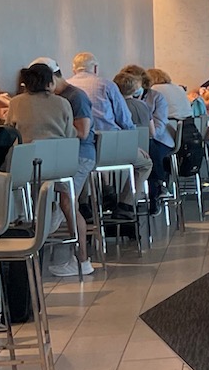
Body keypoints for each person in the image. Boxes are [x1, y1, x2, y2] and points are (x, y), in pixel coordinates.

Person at [10, 62, 95, 276]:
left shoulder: (16, 103)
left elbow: (11, 131)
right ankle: (82, 257)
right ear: (50, 82)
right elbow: (71, 134)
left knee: (18, 189)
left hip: (30, 169)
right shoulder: (63, 103)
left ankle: (28, 244)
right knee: (69, 203)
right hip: (61, 166)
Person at [114, 65, 173, 207]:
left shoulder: (156, 97)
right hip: (137, 142)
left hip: (158, 138)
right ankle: (154, 190)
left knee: (152, 150)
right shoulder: (133, 104)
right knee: (147, 153)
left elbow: (159, 126)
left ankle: (155, 188)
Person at [64, 52, 131, 135]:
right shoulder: (107, 85)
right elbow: (124, 117)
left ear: (74, 70)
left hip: (77, 137)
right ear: (95, 68)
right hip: (108, 136)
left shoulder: (66, 86)